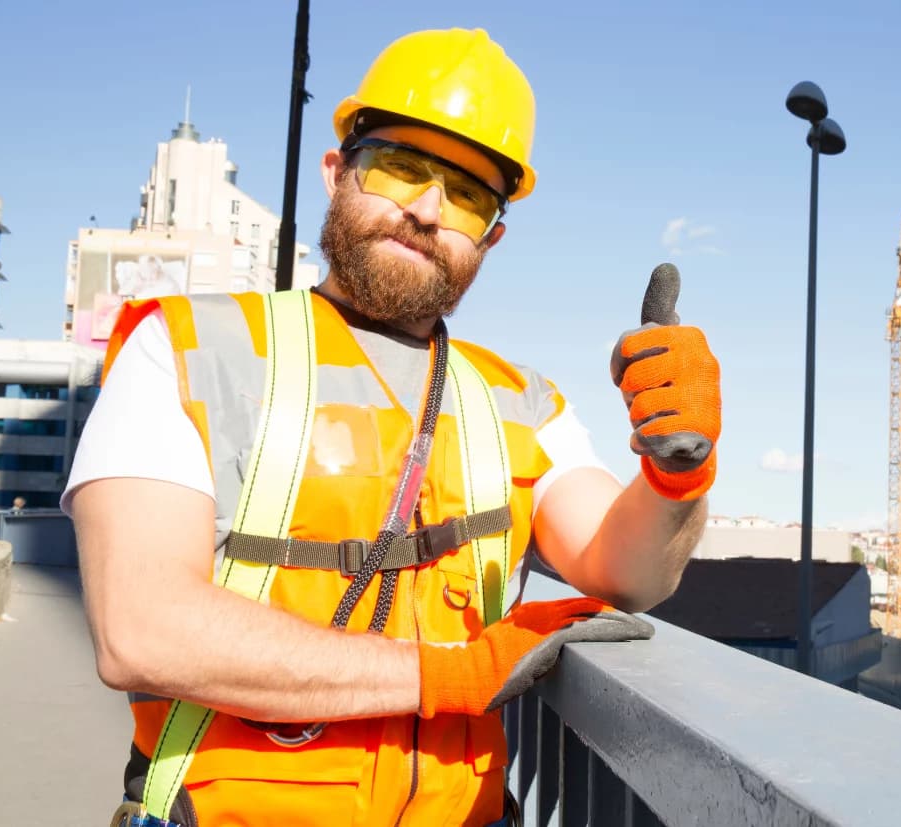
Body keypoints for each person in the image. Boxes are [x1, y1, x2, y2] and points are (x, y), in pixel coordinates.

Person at [65, 27, 722, 827]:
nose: (425, 208)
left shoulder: (517, 399)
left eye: (469, 194)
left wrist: (675, 470)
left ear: (491, 236)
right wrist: (453, 673)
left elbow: (628, 572)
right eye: (400, 167)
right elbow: (142, 628)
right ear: (337, 171)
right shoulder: (186, 348)